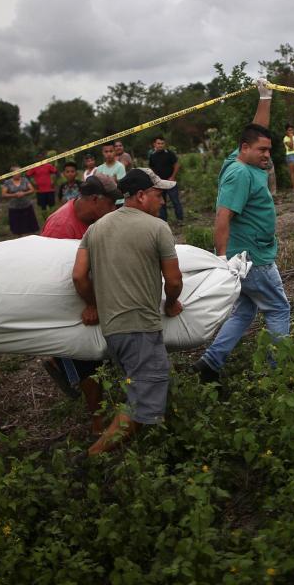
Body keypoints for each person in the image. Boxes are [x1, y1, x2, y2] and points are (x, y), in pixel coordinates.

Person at [73, 168, 183, 455]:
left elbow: (79, 276)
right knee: (142, 402)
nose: (163, 201)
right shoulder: (157, 228)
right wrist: (171, 302)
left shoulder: (95, 229)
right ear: (140, 195)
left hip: (113, 331)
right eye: (159, 195)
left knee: (145, 388)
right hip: (140, 328)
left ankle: (158, 450)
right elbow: (173, 280)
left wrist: (94, 304)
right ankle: (93, 458)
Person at [192, 81, 291, 384]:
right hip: (252, 258)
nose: (267, 155)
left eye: (269, 150)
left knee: (244, 311)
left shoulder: (242, 157)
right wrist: (222, 260)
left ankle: (210, 363)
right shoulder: (239, 174)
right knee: (278, 309)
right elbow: (222, 217)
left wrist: (265, 97)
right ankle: (280, 372)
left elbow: (257, 129)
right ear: (245, 149)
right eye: (262, 150)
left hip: (247, 254)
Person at [40, 175, 122, 435]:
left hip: (92, 294)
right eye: (111, 204)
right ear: (96, 199)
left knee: (100, 356)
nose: (113, 210)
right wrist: (89, 303)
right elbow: (60, 277)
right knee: (87, 362)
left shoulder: (95, 220)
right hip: (73, 302)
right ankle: (97, 422)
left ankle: (59, 361)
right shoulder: (61, 227)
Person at [148, 136, 184, 223]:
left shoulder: (169, 154)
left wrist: (172, 177)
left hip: (170, 182)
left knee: (175, 201)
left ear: (165, 144)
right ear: (154, 144)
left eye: (162, 143)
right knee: (161, 203)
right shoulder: (152, 156)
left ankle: (180, 220)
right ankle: (164, 221)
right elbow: (151, 168)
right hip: (159, 183)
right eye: (158, 143)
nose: (160, 145)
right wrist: (154, 179)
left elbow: (176, 165)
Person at [1, 166, 39, 236]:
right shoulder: (7, 182)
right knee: (17, 229)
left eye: (20, 172)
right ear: (12, 174)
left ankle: (33, 240)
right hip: (14, 208)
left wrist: (24, 193)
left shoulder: (25, 180)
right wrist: (14, 195)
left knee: (32, 227)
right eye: (16, 172)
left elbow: (32, 190)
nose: (19, 174)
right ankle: (20, 241)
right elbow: (3, 194)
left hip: (27, 206)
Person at [95, 142, 126, 206]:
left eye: (111, 151)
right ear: (102, 153)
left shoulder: (120, 166)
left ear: (115, 152)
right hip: (105, 202)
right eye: (106, 152)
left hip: (119, 202)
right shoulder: (99, 169)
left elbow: (122, 187)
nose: (108, 154)